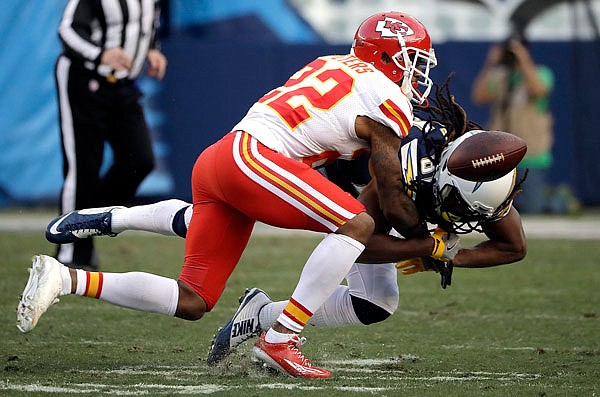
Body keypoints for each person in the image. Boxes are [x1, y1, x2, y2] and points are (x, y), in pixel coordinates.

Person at [17, 12, 438, 379]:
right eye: (414, 62)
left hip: (223, 158)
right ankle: (280, 338)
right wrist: (429, 237)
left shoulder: (331, 63)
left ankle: (69, 274)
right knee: (356, 223)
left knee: (193, 300)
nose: (419, 75)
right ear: (387, 58)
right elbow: (390, 190)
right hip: (255, 159)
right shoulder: (386, 97)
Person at [39, 80, 527, 374]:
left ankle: (257, 314)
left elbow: (513, 248)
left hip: (245, 159)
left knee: (219, 229)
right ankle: (279, 334)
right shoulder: (399, 170)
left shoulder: (485, 184)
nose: (467, 220)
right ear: (439, 182)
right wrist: (422, 244)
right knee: (353, 251)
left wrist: (449, 254)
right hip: (341, 187)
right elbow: (359, 234)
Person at [54, 0, 167, 268]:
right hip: (85, 78)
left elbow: (146, 23)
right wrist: (99, 53)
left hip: (124, 84)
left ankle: (88, 219)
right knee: (83, 167)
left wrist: (151, 49)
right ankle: (70, 257)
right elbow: (67, 30)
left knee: (140, 160)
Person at [470, 33, 574, 214]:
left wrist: (523, 58)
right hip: (501, 155)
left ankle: (557, 198)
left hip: (531, 154)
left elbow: (539, 91)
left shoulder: (541, 73)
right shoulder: (501, 77)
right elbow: (479, 97)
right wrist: (490, 64)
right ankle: (549, 196)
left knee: (532, 209)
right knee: (497, 209)